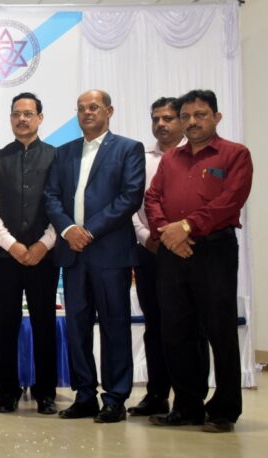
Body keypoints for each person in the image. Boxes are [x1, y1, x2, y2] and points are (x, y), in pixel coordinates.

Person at [147, 90, 252, 433]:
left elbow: (230, 200)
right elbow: (153, 198)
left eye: (200, 115)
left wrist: (187, 226)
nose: (192, 121)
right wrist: (167, 232)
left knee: (220, 330)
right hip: (172, 251)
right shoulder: (170, 159)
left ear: (216, 117)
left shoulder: (235, 154)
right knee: (176, 331)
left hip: (213, 251)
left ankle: (224, 409)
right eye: (187, 116)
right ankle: (187, 405)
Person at [43, 89, 145, 423]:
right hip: (73, 254)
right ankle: (84, 394)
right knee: (77, 328)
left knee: (115, 327)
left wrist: (88, 231)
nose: (87, 113)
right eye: (81, 108)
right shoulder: (64, 152)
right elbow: (51, 196)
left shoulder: (128, 149)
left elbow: (129, 197)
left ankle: (115, 397)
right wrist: (69, 230)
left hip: (109, 254)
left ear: (109, 111)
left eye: (94, 107)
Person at [0, 92, 58, 415]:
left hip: (45, 255)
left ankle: (46, 392)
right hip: (5, 257)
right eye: (16, 114)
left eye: (28, 113)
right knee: (5, 324)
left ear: (40, 118)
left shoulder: (56, 156)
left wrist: (44, 244)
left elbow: (61, 206)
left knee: (44, 324)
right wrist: (10, 244)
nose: (22, 119)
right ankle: (7, 391)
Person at [128, 97, 197, 417]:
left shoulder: (195, 156)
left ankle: (190, 399)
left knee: (189, 326)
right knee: (154, 325)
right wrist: (146, 238)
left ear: (182, 121)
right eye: (156, 118)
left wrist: (178, 237)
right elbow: (131, 204)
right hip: (150, 252)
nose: (161, 124)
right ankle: (157, 394)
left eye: (168, 118)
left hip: (188, 251)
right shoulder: (141, 159)